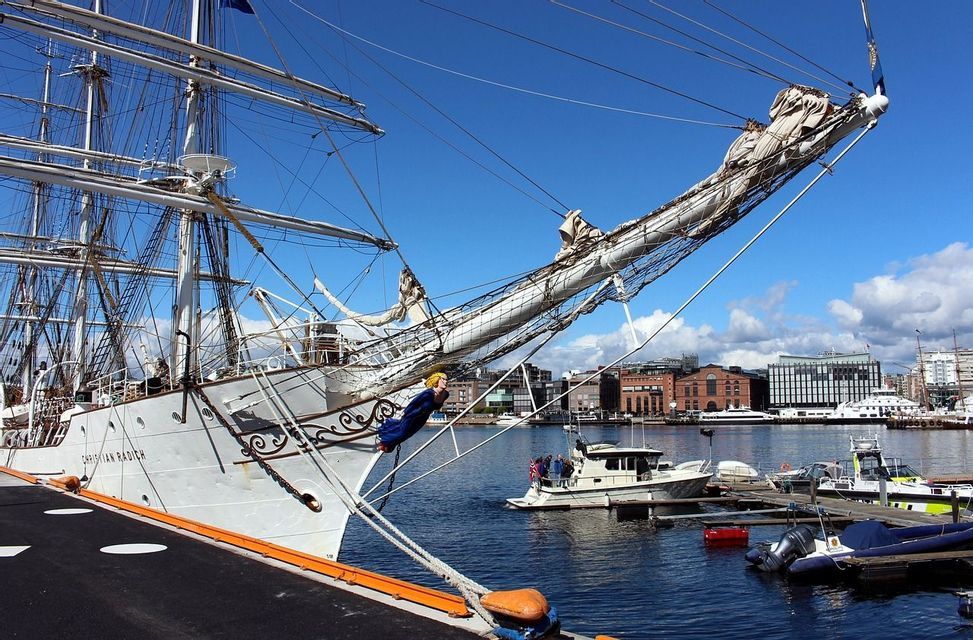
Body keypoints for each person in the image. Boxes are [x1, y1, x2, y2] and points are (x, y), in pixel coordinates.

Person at [377, 372, 449, 452]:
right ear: (437, 380)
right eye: (444, 379)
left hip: (423, 418)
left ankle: (389, 446)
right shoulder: (428, 393)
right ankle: (383, 442)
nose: (446, 382)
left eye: (447, 380)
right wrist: (406, 412)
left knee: (408, 434)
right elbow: (414, 402)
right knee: (402, 432)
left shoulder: (446, 394)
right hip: (413, 415)